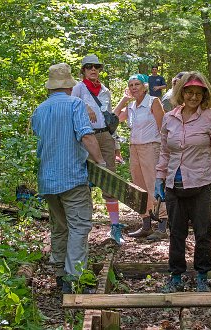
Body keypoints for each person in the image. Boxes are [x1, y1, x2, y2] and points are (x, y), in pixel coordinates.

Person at [154, 71, 211, 293]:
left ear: (204, 95)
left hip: (202, 183)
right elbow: (164, 152)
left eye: (198, 94)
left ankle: (202, 275)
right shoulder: (170, 118)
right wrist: (159, 179)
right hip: (174, 185)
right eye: (189, 92)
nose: (193, 97)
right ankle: (176, 277)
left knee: (203, 232)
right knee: (176, 233)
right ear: (181, 93)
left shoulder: (210, 117)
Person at [31, 63, 106, 293]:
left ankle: (60, 274)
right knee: (79, 227)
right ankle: (74, 280)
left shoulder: (39, 110)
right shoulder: (75, 104)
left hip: (47, 179)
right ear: (68, 85)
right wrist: (101, 163)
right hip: (72, 177)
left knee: (60, 227)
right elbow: (86, 136)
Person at [72, 55, 125, 245]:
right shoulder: (78, 88)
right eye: (89, 67)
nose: (93, 70)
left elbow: (110, 118)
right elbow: (70, 106)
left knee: (110, 180)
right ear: (83, 70)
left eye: (96, 67)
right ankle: (82, 228)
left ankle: (115, 227)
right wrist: (84, 106)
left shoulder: (105, 91)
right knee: (83, 181)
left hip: (105, 136)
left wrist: (116, 144)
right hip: (86, 136)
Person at [113, 74, 168, 241]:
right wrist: (124, 100)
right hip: (134, 149)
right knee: (139, 187)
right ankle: (146, 225)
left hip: (152, 147)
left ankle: (162, 225)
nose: (134, 87)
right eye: (131, 85)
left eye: (137, 84)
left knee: (154, 185)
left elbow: (163, 128)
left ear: (145, 86)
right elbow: (112, 119)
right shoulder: (131, 107)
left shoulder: (154, 102)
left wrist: (166, 153)